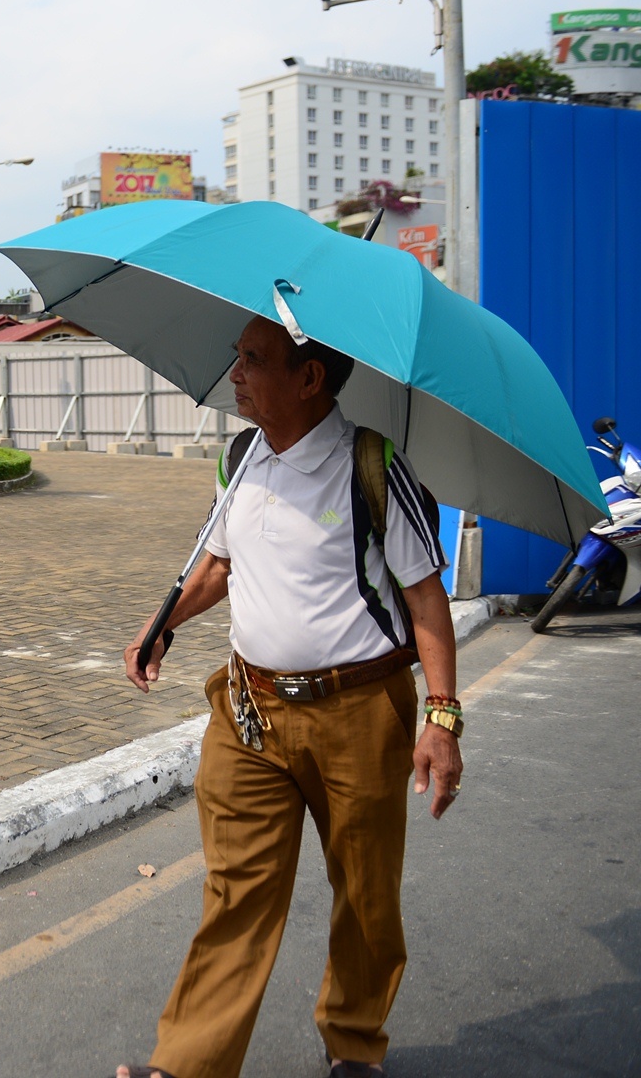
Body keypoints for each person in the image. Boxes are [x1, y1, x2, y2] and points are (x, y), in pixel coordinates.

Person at [115, 316, 465, 1078]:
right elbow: (218, 566)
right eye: (235, 356)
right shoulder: (239, 459)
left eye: (252, 360)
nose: (234, 374)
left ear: (310, 379)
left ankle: (353, 1047)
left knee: (365, 896)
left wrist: (440, 716)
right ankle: (186, 1065)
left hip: (359, 714)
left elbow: (425, 599)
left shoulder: (369, 464)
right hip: (247, 709)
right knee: (237, 890)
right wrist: (160, 624)